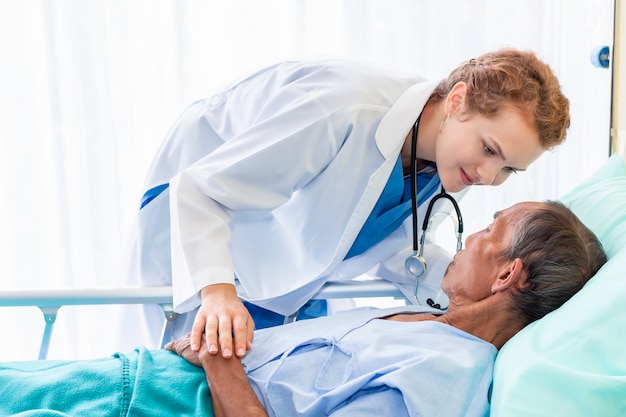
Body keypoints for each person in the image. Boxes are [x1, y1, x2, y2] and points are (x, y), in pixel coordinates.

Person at [125, 48, 571, 358]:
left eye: (510, 169)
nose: (491, 177)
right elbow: (206, 191)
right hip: (203, 223)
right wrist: (218, 292)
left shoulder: (451, 159)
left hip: (285, 259)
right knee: (179, 375)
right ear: (458, 101)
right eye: (491, 150)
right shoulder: (343, 109)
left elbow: (391, 243)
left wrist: (478, 295)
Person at [0, 201, 606, 417]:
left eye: (492, 228)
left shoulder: (443, 378)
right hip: (148, 377)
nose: (471, 234)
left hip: (163, 402)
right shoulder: (425, 323)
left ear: (508, 273)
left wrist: (220, 363)